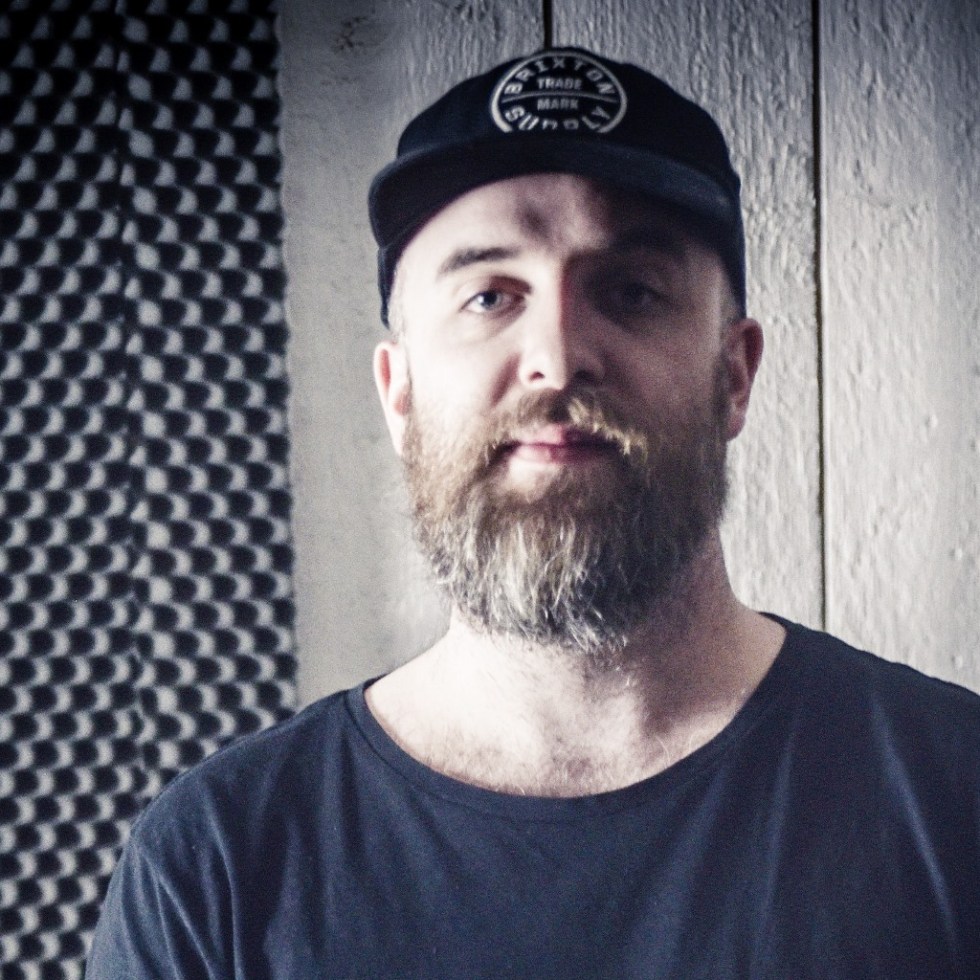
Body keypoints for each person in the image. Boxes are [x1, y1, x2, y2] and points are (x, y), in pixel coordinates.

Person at [87, 47, 979, 978]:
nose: (556, 354)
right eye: (489, 296)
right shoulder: (214, 864)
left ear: (734, 374)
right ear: (399, 393)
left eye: (630, 292)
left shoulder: (957, 796)